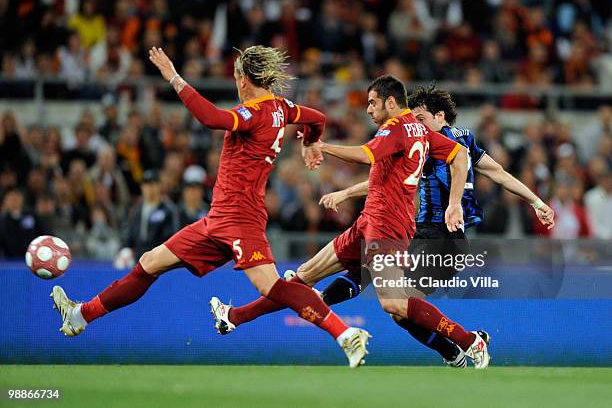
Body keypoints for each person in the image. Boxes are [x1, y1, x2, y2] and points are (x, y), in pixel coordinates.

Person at [50, 45, 370, 368]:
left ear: (244, 80)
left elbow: (210, 117)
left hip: (240, 218)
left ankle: (344, 334)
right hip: (217, 220)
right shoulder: (283, 109)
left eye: (235, 77)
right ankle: (81, 315)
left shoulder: (254, 113)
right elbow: (318, 118)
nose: (235, 83)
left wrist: (174, 77)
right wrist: (310, 142)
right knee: (150, 262)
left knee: (273, 286)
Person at [210, 75, 491, 368]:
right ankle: (234, 316)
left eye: (372, 103)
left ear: (391, 102)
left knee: (394, 304)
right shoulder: (419, 130)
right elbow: (459, 154)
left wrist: (322, 145)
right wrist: (454, 202)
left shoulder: (396, 128)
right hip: (370, 219)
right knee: (304, 275)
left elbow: (365, 154)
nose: (368, 110)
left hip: (387, 225)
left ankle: (469, 341)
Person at [314, 84, 556, 367]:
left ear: (440, 116)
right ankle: (457, 350)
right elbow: (498, 173)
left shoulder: (435, 145)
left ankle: (324, 298)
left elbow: (499, 173)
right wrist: (538, 203)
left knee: (388, 288)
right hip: (425, 234)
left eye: (420, 119)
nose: (415, 126)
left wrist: (537, 202)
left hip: (441, 239)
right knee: (397, 306)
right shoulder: (459, 140)